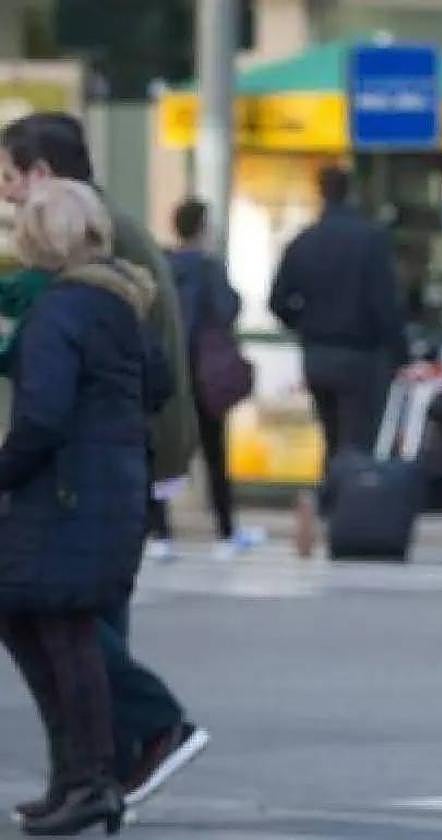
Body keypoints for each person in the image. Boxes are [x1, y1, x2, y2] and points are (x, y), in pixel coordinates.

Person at [0, 113, 209, 818]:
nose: (8, 201)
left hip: (74, 484)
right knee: (65, 624)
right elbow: (154, 371)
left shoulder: (72, 292)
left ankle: (113, 760)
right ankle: (85, 775)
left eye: (10, 181)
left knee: (73, 629)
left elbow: (48, 410)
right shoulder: (111, 281)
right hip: (110, 476)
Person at [268, 165, 409, 504]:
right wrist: (400, 352)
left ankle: (330, 503)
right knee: (357, 442)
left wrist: (305, 324)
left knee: (331, 437)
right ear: (351, 192)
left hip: (318, 355)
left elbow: (277, 301)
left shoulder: (303, 242)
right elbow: (385, 303)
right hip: (362, 356)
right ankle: (346, 508)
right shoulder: (372, 240)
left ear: (321, 193)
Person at [159, 197, 263, 561]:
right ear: (202, 228)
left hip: (171, 371)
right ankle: (225, 530)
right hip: (206, 375)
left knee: (166, 452)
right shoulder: (208, 268)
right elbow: (227, 308)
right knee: (214, 452)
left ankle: (160, 532)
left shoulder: (164, 266)